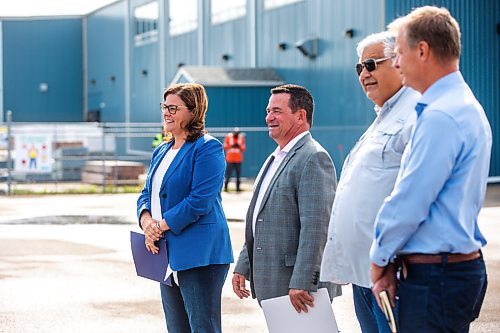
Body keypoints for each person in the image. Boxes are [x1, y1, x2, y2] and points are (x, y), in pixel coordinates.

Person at [370, 6, 492, 333]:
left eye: (399, 53)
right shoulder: (460, 107)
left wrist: (378, 260)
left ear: (422, 51)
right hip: (444, 274)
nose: (396, 63)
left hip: (436, 278)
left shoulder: (441, 117)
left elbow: (409, 201)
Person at [320, 31, 420, 332]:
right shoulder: (384, 117)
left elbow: (415, 197)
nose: (364, 73)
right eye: (359, 68)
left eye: (372, 64)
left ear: (400, 61)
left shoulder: (417, 113)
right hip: (363, 273)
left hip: (392, 273)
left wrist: (388, 261)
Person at [232, 84, 341, 313]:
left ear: (300, 116)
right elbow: (260, 219)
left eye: (277, 111)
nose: (269, 117)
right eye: (268, 111)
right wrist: (244, 264)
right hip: (276, 283)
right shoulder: (275, 157)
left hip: (297, 287)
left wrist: (303, 280)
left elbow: (317, 227)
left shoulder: (314, 157)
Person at [137, 83, 233, 333]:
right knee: (176, 328)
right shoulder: (161, 150)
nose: (166, 113)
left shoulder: (207, 148)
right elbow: (146, 193)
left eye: (173, 107)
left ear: (193, 111)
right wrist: (147, 222)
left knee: (203, 327)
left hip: (199, 254)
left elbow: (199, 200)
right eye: (164, 106)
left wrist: (160, 225)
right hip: (165, 253)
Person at [223, 127, 246, 192]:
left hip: (238, 159)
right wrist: (232, 146)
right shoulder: (229, 137)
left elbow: (243, 148)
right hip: (230, 159)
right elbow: (225, 146)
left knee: (238, 174)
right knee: (228, 174)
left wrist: (238, 146)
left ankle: (238, 188)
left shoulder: (241, 137)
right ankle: (226, 188)